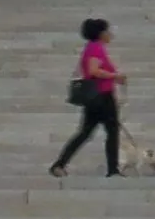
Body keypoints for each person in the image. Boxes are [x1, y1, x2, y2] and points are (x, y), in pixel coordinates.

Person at [50, 17, 123, 178]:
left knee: (85, 132)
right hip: (102, 96)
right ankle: (113, 169)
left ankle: (59, 164)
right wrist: (115, 76)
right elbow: (93, 71)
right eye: (107, 31)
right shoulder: (96, 48)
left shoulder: (93, 47)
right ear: (101, 33)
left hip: (98, 96)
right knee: (111, 132)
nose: (110, 34)